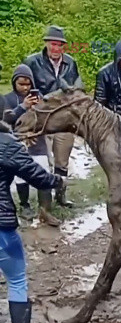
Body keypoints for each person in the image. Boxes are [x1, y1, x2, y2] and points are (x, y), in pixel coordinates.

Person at [0, 119, 66, 323]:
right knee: (16, 280)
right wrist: (57, 180)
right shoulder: (7, 144)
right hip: (2, 229)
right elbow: (36, 176)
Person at [24, 25, 83, 208]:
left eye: (59, 45)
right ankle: (44, 203)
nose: (56, 49)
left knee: (62, 160)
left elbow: (75, 89)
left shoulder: (71, 63)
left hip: (63, 119)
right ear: (46, 44)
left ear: (63, 46)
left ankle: (61, 195)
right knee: (41, 159)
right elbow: (25, 90)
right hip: (41, 116)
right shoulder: (32, 62)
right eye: (53, 44)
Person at [3, 64, 61, 227]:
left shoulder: (39, 97)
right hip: (18, 143)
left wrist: (40, 106)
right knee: (21, 176)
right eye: (21, 84)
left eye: (28, 84)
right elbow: (7, 121)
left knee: (43, 172)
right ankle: (24, 205)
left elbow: (47, 119)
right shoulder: (7, 99)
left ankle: (45, 210)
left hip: (38, 143)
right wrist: (23, 107)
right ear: (14, 82)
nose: (25, 88)